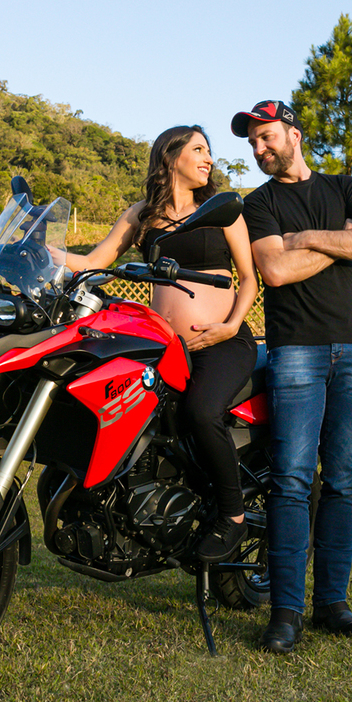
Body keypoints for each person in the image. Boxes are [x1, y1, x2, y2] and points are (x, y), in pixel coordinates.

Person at [231, 100, 352, 653]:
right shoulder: (258, 204)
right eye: (253, 143)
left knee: (345, 480)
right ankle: (285, 613)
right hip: (295, 350)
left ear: (294, 134)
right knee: (291, 480)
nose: (260, 149)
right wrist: (341, 240)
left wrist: (306, 238)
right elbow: (276, 270)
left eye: (267, 137)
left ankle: (332, 603)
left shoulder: (345, 187)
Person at [64, 125, 259, 562]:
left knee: (201, 411)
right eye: (199, 149)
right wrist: (45, 253)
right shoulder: (143, 214)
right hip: (167, 348)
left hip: (223, 342)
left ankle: (233, 516)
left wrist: (231, 325)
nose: (209, 159)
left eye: (209, 151)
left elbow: (249, 279)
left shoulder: (222, 209)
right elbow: (94, 261)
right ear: (170, 157)